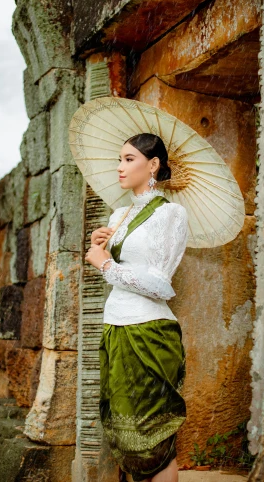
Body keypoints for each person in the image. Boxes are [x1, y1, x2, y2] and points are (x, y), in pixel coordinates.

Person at [84, 133, 189, 482]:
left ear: (153, 165)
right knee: (125, 434)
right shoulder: (120, 213)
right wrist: (106, 246)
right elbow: (121, 279)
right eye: (119, 158)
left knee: (152, 439)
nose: (120, 167)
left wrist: (105, 265)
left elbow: (160, 285)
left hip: (149, 331)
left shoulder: (170, 214)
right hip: (115, 329)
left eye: (129, 159)